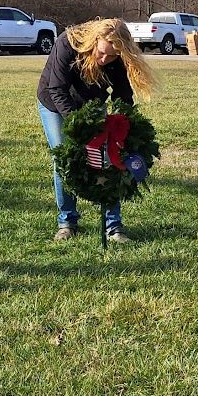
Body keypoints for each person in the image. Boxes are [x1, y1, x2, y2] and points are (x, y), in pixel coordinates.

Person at [37, 17, 155, 243]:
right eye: (101, 52)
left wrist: (121, 124)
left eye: (111, 56)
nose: (104, 59)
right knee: (65, 156)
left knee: (109, 155)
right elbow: (57, 90)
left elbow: (123, 94)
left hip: (92, 104)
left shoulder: (117, 56)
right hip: (55, 102)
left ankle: (114, 226)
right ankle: (67, 222)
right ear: (94, 41)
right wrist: (80, 127)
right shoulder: (67, 43)